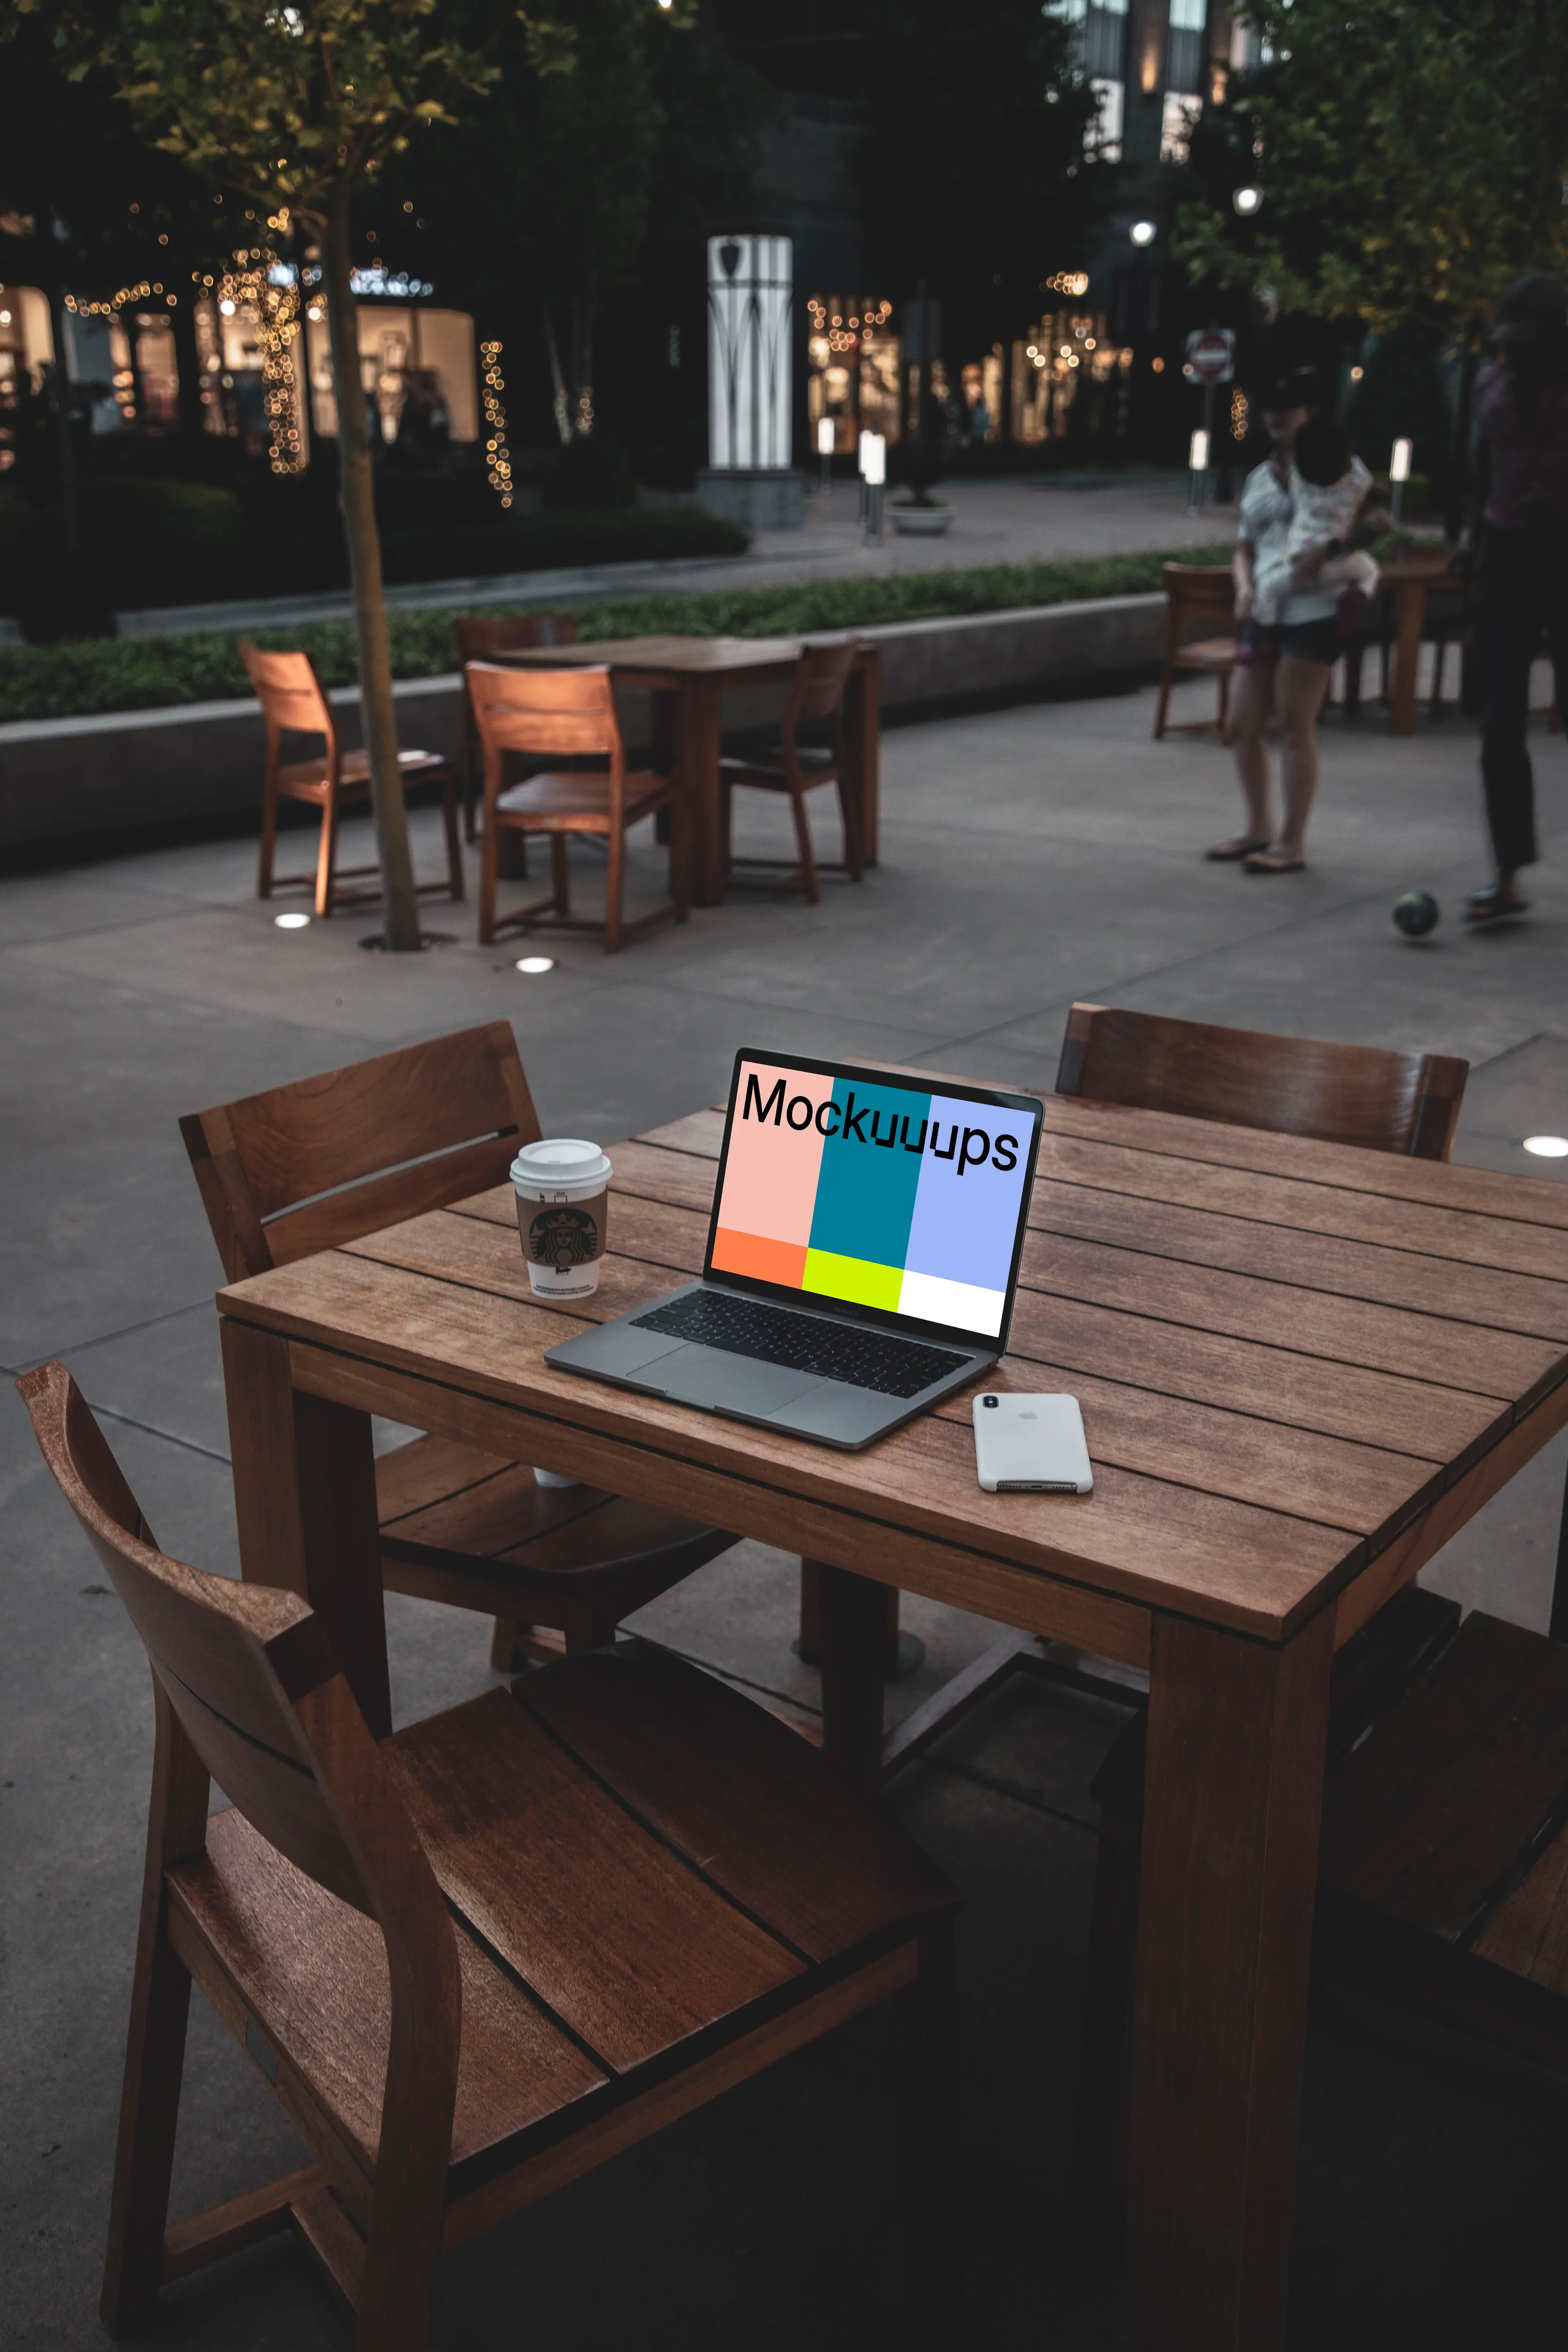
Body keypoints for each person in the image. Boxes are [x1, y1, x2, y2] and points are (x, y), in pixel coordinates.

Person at [1462, 273, 1568, 922]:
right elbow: (1482, 465)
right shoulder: (1491, 386)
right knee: (1499, 725)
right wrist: (1472, 540)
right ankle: (1507, 875)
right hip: (1507, 555)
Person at [1212, 367, 1344, 874]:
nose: (1275, 417)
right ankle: (1258, 827)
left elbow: (1376, 524)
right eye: (1270, 409)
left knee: (1294, 725)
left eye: (1287, 410)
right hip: (1264, 607)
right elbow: (1244, 548)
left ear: (1310, 415)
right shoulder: (1257, 479)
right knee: (1240, 724)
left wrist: (1331, 550)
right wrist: (1242, 585)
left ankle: (1291, 841)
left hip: (1313, 610)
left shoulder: (1338, 471)